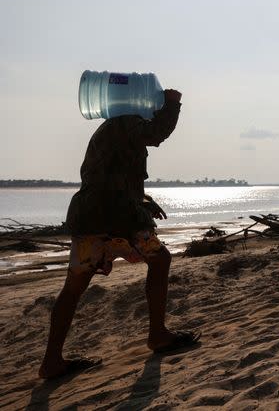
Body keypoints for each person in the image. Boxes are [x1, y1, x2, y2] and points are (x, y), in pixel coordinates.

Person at [38, 89, 199, 380]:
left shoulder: (112, 128)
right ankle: (158, 335)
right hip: (115, 216)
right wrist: (173, 104)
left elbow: (112, 177)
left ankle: (51, 362)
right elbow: (156, 133)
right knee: (160, 260)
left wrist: (144, 201)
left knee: (73, 286)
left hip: (91, 217)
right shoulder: (125, 121)